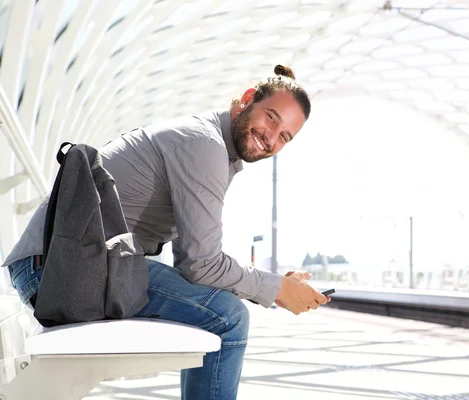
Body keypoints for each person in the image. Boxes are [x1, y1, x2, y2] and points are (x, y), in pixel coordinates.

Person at [3, 64, 330, 399]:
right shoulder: (204, 145)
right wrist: (277, 288)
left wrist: (277, 286)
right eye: (271, 118)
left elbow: (196, 266)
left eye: (285, 136)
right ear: (247, 99)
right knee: (229, 317)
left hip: (62, 263)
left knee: (220, 304)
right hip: (59, 268)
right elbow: (201, 265)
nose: (272, 138)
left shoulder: (209, 144)